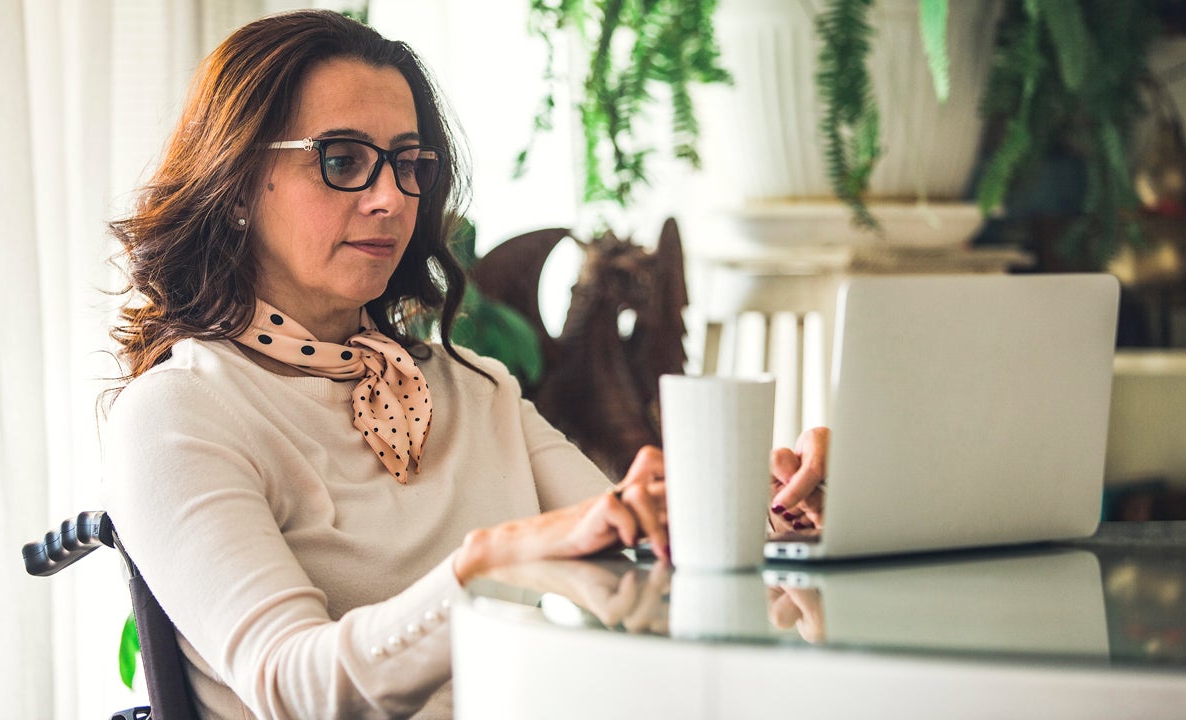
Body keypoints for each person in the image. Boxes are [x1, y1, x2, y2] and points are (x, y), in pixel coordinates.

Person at [101, 9, 828, 720]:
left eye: (409, 165)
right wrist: (487, 564)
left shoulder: (474, 387)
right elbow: (298, 691)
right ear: (233, 182)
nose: (390, 198)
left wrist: (781, 516)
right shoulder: (178, 414)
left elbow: (648, 573)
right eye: (343, 161)